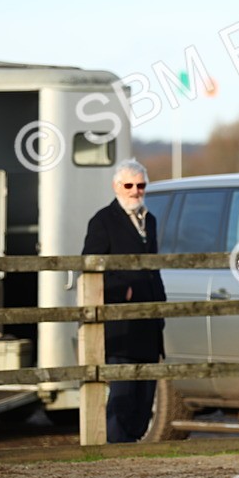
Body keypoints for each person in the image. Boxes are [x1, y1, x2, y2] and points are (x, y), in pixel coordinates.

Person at [82, 159, 167, 443]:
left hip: (149, 324)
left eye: (140, 185)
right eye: (128, 185)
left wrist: (160, 306)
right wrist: (122, 290)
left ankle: (133, 452)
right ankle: (113, 454)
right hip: (121, 325)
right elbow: (90, 269)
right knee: (123, 396)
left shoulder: (150, 220)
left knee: (145, 399)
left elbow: (153, 268)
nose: (135, 191)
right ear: (116, 187)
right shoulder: (102, 221)